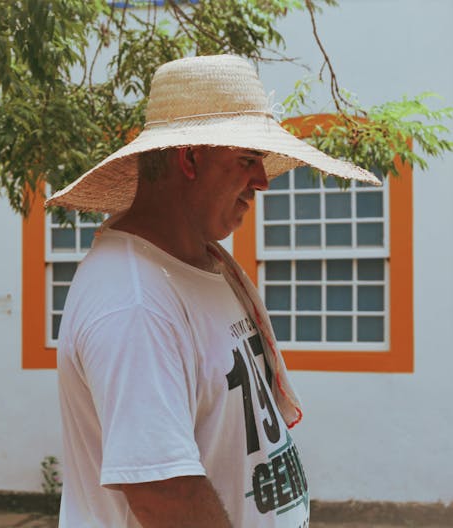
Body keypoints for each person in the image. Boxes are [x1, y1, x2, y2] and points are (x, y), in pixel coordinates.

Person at [46, 55, 380, 527]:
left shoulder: (200, 265)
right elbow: (166, 497)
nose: (261, 182)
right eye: (247, 160)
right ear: (190, 158)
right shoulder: (134, 299)